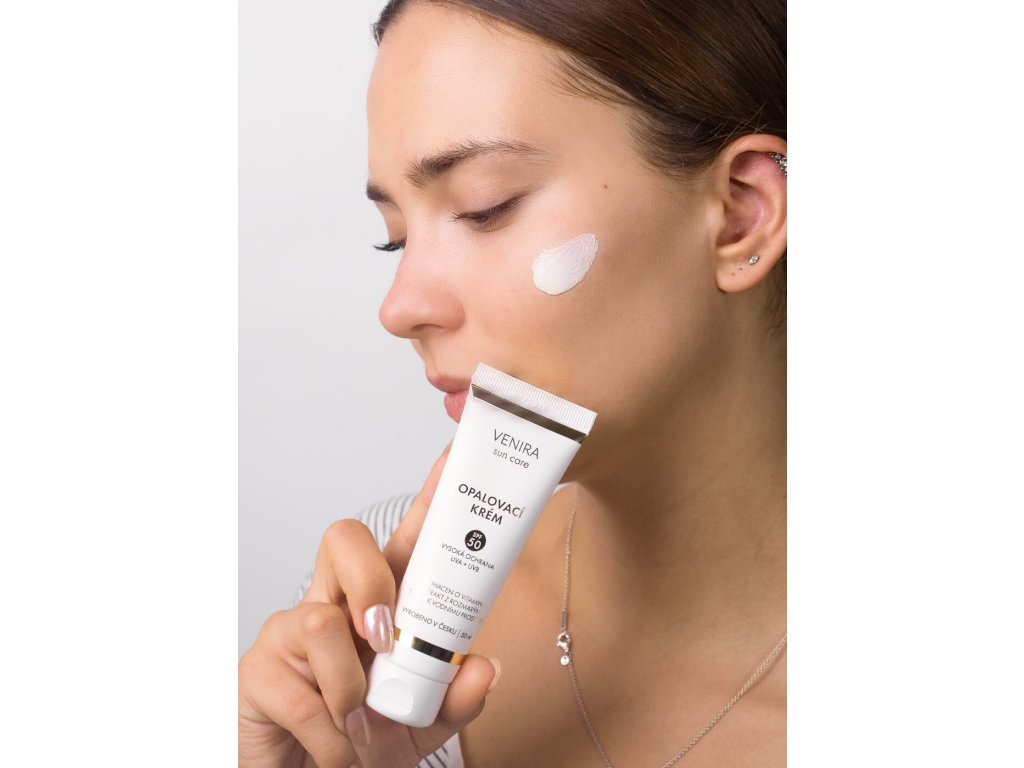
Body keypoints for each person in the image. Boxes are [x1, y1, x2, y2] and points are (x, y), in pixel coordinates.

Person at [239, 0, 787, 765]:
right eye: (395, 238)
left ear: (740, 216)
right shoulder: (387, 618)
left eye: (483, 207)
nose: (399, 308)